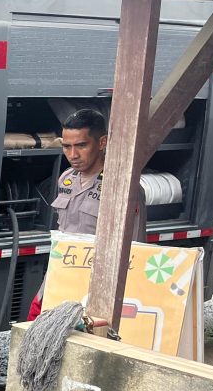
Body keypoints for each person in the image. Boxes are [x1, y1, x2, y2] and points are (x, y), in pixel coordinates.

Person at [28, 108, 146, 319]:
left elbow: (135, 249)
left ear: (102, 143)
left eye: (81, 145)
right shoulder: (66, 179)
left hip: (96, 289)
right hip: (60, 277)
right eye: (67, 146)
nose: (73, 155)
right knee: (34, 329)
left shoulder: (122, 186)